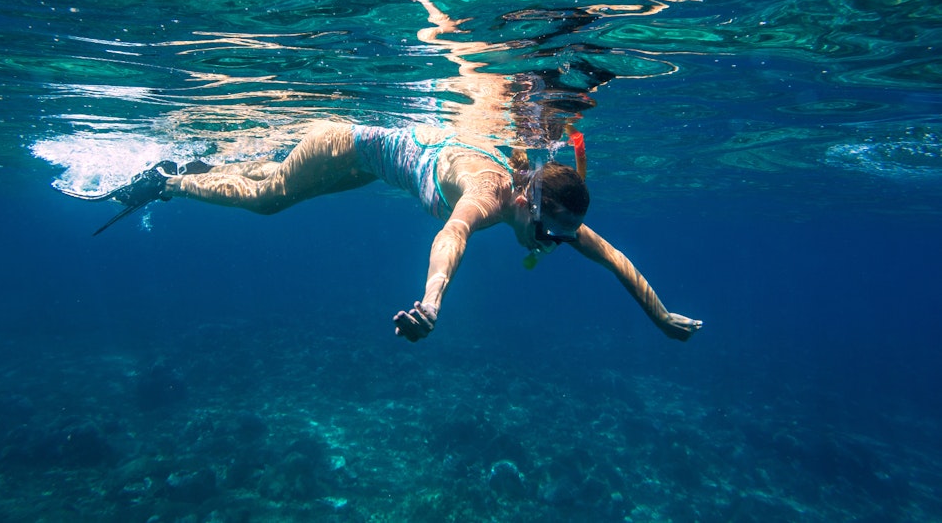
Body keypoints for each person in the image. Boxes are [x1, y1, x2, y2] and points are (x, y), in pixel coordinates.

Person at [65, 121, 702, 342]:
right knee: (268, 199)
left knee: (274, 182)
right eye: (551, 232)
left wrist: (662, 315)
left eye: (563, 236)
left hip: (368, 166)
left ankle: (202, 168)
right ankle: (170, 179)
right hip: (351, 145)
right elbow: (449, 239)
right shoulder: (487, 196)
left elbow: (614, 257)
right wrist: (430, 304)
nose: (553, 245)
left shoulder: (544, 216)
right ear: (528, 200)